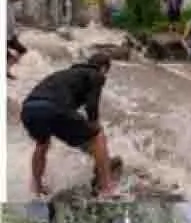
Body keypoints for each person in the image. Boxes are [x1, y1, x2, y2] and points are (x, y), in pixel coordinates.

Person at [19, 53, 119, 198]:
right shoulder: (96, 75)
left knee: (42, 144)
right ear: (103, 68)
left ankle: (37, 187)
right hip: (54, 108)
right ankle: (107, 188)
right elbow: (91, 107)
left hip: (29, 109)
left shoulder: (64, 74)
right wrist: (95, 129)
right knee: (97, 136)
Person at [8, 0, 29, 79]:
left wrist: (15, 32)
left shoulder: (14, 4)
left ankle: (6, 69)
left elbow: (13, 20)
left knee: (22, 50)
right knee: (9, 56)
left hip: (10, 35)